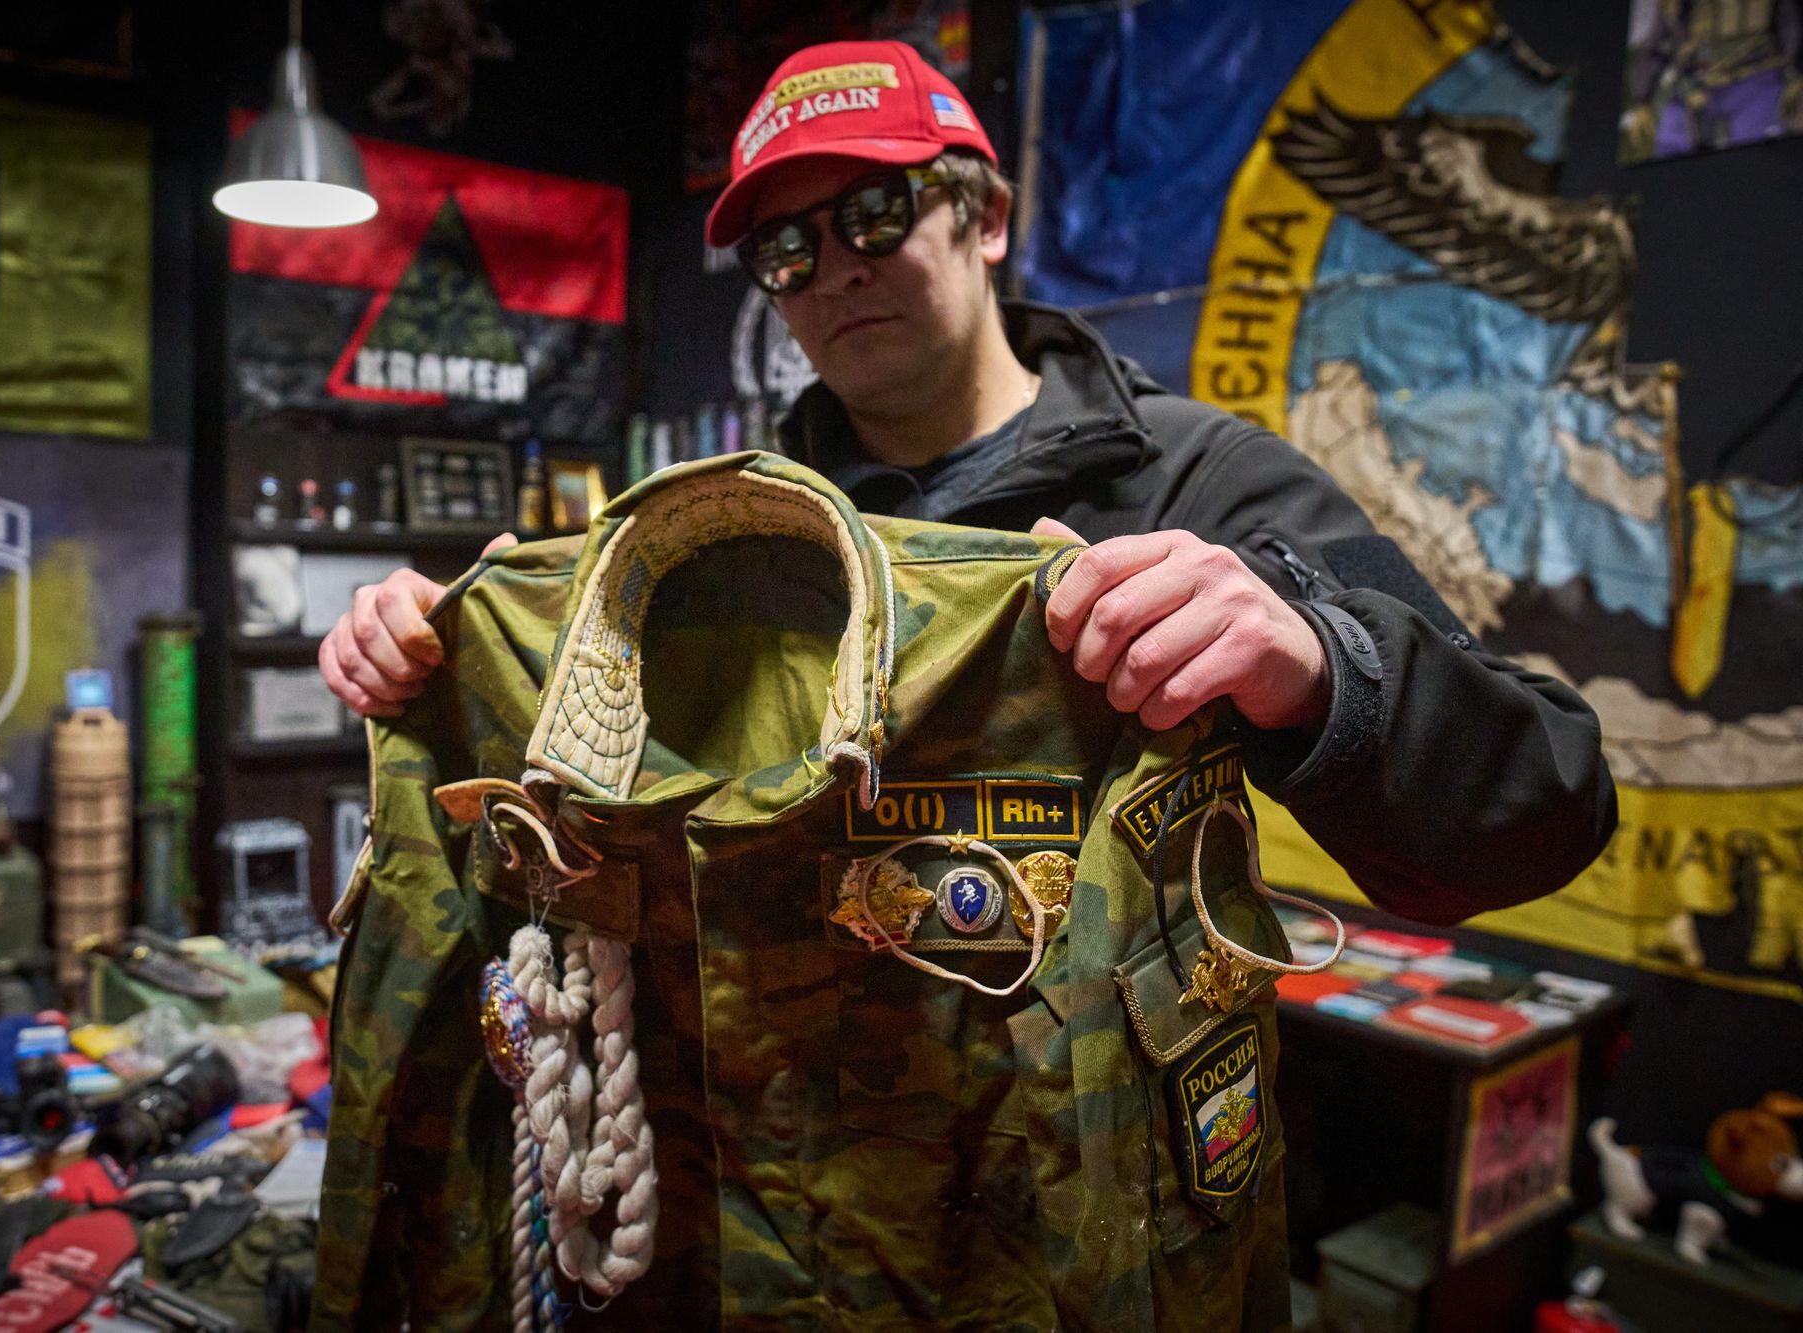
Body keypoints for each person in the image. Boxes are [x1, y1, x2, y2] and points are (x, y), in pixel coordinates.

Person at [318, 38, 1616, 1328]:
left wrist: (1322, 669)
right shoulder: (720, 544)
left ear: (986, 216)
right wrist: (445, 641)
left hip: (1060, 1233)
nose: (834, 269)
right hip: (754, 1243)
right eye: (787, 251)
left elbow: (1548, 802)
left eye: (873, 212)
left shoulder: (1190, 489)